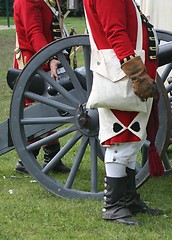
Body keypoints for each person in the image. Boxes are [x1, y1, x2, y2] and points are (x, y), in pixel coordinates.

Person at [83, 0, 164, 225]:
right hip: (121, 75)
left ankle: (127, 199)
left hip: (123, 73)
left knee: (132, 139)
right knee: (121, 139)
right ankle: (114, 205)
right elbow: (115, 32)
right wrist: (137, 74)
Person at [13, 0, 70, 173]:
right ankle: (26, 160)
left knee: (48, 112)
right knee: (36, 113)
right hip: (34, 65)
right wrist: (50, 58)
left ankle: (51, 157)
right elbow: (34, 33)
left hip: (48, 62)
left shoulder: (50, 1)